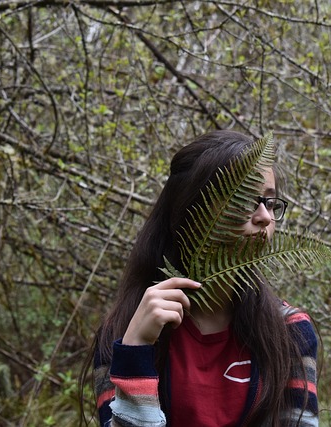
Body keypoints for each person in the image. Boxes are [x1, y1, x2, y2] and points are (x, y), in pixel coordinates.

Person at [91, 130, 319, 426]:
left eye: (270, 202)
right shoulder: (122, 332)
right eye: (245, 200)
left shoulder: (289, 331)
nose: (264, 216)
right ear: (193, 212)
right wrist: (136, 350)